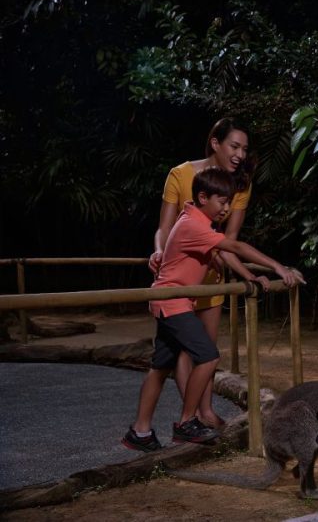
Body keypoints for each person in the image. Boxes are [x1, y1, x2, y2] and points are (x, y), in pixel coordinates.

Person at [123, 166, 304, 451]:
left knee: (160, 368)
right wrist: (277, 267)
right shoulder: (193, 225)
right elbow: (237, 246)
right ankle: (186, 423)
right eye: (223, 201)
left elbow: (223, 252)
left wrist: (249, 276)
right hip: (174, 302)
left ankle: (139, 432)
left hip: (170, 301)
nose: (227, 208)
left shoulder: (196, 221)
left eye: (230, 202)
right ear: (203, 197)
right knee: (208, 357)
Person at [149, 117, 253, 429]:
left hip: (212, 276)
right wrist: (158, 251)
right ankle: (190, 416)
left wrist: (234, 265)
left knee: (205, 349)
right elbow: (164, 229)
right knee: (182, 349)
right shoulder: (180, 175)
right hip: (179, 277)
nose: (240, 155)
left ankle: (203, 411)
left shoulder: (240, 185)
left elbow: (230, 237)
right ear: (215, 143)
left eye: (245, 149)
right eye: (235, 146)